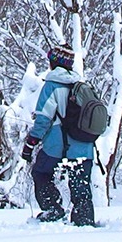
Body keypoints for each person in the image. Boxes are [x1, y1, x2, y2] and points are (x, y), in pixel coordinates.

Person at [20, 44, 96, 226]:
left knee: (41, 172)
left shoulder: (52, 86)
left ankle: (53, 209)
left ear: (53, 62)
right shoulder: (82, 86)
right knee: (80, 183)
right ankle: (84, 219)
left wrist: (31, 143)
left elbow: (43, 119)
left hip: (58, 145)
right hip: (84, 145)